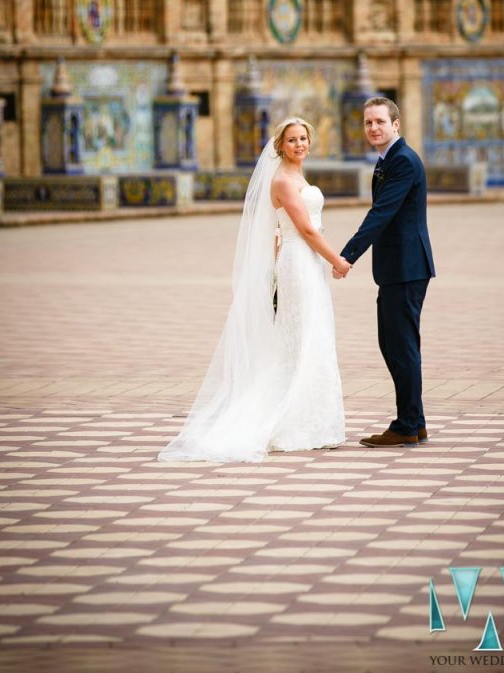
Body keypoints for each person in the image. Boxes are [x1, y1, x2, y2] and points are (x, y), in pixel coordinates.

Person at [158, 116, 350, 463]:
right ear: (280, 146)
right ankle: (288, 422)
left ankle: (312, 420)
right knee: (302, 336)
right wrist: (338, 259)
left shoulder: (297, 176)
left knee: (310, 334)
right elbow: (305, 230)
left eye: (303, 138)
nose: (299, 145)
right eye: (291, 140)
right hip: (300, 260)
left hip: (306, 263)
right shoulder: (282, 181)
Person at [334, 97, 435, 447]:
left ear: (396, 124)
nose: (373, 128)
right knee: (395, 344)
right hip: (398, 268)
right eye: (368, 123)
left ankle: (406, 424)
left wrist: (347, 255)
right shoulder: (388, 160)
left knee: (400, 346)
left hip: (406, 268)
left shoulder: (403, 161)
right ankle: (415, 421)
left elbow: (382, 213)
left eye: (379, 121)